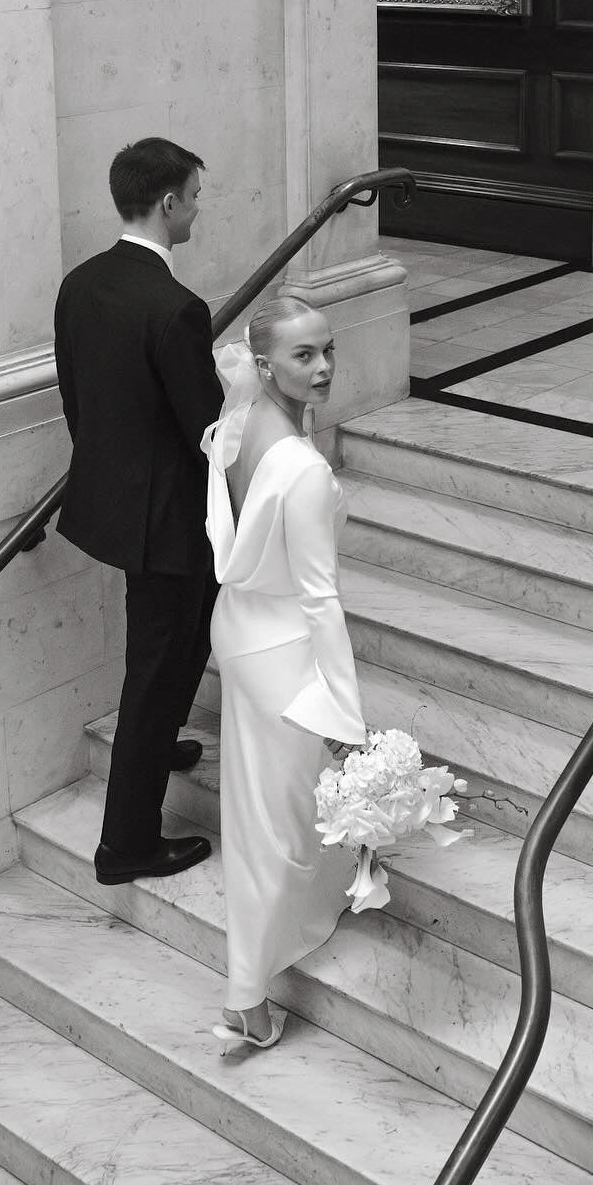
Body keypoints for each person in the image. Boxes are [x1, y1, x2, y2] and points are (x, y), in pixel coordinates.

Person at [54, 138, 224, 886]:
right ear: (167, 204)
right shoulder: (177, 308)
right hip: (169, 519)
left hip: (116, 504)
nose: (196, 207)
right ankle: (125, 845)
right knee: (156, 667)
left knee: (174, 646)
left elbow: (76, 398)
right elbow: (205, 430)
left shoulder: (82, 283)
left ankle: (162, 740)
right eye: (193, 194)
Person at [203, 292, 368, 1052]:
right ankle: (249, 996)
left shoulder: (235, 425)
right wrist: (347, 711)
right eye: (305, 355)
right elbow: (320, 596)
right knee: (275, 828)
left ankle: (256, 969)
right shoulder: (300, 467)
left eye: (328, 348)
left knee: (264, 811)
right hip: (281, 651)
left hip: (238, 626)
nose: (325, 365)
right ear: (264, 363)